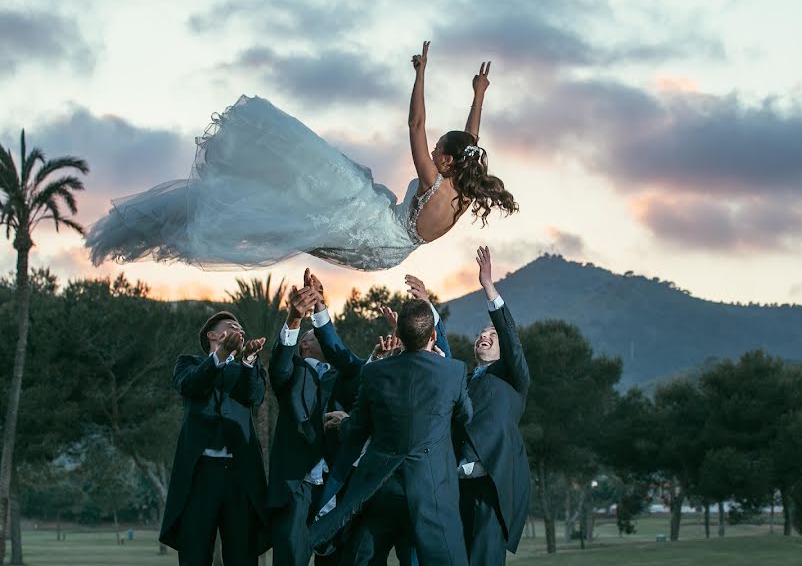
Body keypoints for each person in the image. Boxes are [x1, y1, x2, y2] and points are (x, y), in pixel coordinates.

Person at [85, 42, 517, 271]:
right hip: (387, 253)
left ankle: (202, 212)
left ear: (444, 162)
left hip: (377, 231)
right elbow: (470, 137)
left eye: (439, 150)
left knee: (317, 173)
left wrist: (420, 74)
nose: (434, 151)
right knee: (300, 203)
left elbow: (416, 127)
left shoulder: (433, 184)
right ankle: (210, 211)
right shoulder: (465, 190)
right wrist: (478, 95)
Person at [310, 299, 471, 565]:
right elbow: (466, 415)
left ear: (398, 335)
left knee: (362, 558)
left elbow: (358, 429)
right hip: (430, 491)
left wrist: (344, 422)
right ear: (433, 336)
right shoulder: (453, 371)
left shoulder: (374, 372)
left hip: (380, 489)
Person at [159, 311, 270, 565]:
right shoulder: (188, 363)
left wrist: (250, 359)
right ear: (212, 334)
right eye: (232, 326)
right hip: (200, 475)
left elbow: (254, 397)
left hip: (239, 476)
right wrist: (220, 356)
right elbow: (190, 385)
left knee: (242, 555)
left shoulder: (248, 368)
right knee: (195, 553)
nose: (238, 330)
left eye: (241, 329)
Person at [456, 246, 531, 565]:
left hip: (492, 484)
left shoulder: (513, 377)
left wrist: (488, 286)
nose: (483, 337)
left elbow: (510, 338)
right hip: (457, 483)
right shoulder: (464, 379)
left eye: (491, 334)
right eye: (480, 334)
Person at [267, 284, 352, 566]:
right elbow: (278, 366)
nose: (330, 341)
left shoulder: (344, 378)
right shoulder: (293, 371)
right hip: (296, 485)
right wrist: (293, 318)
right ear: (304, 343)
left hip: (333, 485)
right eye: (321, 337)